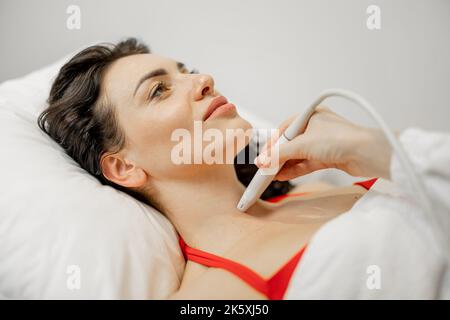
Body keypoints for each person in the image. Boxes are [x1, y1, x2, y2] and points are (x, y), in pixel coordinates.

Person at [38, 38, 449, 299]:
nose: (203, 79)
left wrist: (367, 147)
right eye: (159, 90)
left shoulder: (326, 181)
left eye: (185, 70)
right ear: (124, 167)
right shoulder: (214, 298)